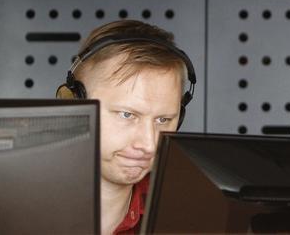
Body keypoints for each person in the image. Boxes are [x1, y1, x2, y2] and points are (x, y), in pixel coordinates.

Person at [56, 20, 196, 235]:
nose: (149, 145)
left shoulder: (191, 217)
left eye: (162, 120)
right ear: (75, 105)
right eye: (127, 115)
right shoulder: (11, 209)